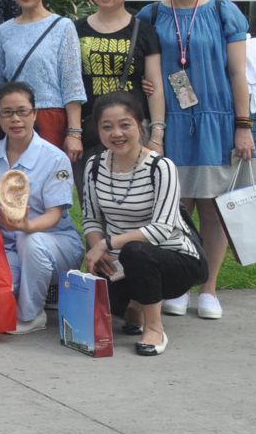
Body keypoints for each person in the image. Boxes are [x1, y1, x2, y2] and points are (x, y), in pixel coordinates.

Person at [138, 0, 253, 319]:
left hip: (217, 122)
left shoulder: (223, 11)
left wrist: (243, 126)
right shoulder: (152, 14)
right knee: (175, 206)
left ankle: (209, 288)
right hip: (170, 121)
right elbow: (145, 68)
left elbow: (237, 74)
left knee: (214, 207)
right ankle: (180, 285)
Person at [81, 92, 206, 356]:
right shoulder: (94, 166)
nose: (117, 133)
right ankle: (135, 305)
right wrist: (98, 251)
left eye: (125, 124)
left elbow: (161, 229)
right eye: (107, 126)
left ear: (140, 125)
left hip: (172, 258)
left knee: (136, 252)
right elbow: (91, 218)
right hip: (119, 260)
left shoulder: (161, 167)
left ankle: (154, 327)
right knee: (108, 306)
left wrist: (107, 243)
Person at [0, 82, 85, 334]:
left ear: (35, 113)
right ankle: (38, 291)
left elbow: (54, 215)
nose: (15, 119)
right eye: (7, 112)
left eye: (22, 111)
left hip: (55, 242)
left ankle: (31, 315)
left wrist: (27, 226)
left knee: (32, 241)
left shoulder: (55, 158)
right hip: (8, 246)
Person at [0, 0, 86, 158]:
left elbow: (72, 82)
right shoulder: (3, 31)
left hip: (50, 117)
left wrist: (74, 132)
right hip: (13, 117)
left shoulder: (63, 27)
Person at [76, 0, 164, 157]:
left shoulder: (144, 30)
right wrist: (73, 131)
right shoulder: (75, 29)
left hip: (132, 128)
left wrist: (157, 135)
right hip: (90, 128)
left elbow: (155, 86)